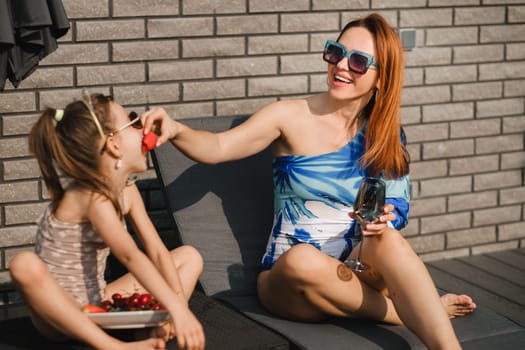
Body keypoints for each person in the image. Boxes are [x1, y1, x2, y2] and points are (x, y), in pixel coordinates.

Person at [142, 13, 476, 349]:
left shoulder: (384, 133)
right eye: (336, 52)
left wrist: (386, 217)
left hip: (357, 272)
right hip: (290, 281)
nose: (342, 66)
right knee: (303, 260)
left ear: (380, 77)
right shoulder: (290, 116)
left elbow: (399, 204)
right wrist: (176, 130)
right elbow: (218, 147)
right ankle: (414, 312)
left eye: (359, 61)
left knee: (389, 240)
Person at [9, 92, 205, 350]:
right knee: (24, 264)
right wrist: (177, 311)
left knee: (189, 257)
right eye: (133, 122)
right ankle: (115, 347)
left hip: (96, 305)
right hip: (57, 317)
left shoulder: (127, 191)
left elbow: (157, 252)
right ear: (113, 145)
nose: (142, 129)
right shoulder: (90, 197)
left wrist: (179, 308)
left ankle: (149, 332)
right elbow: (130, 256)